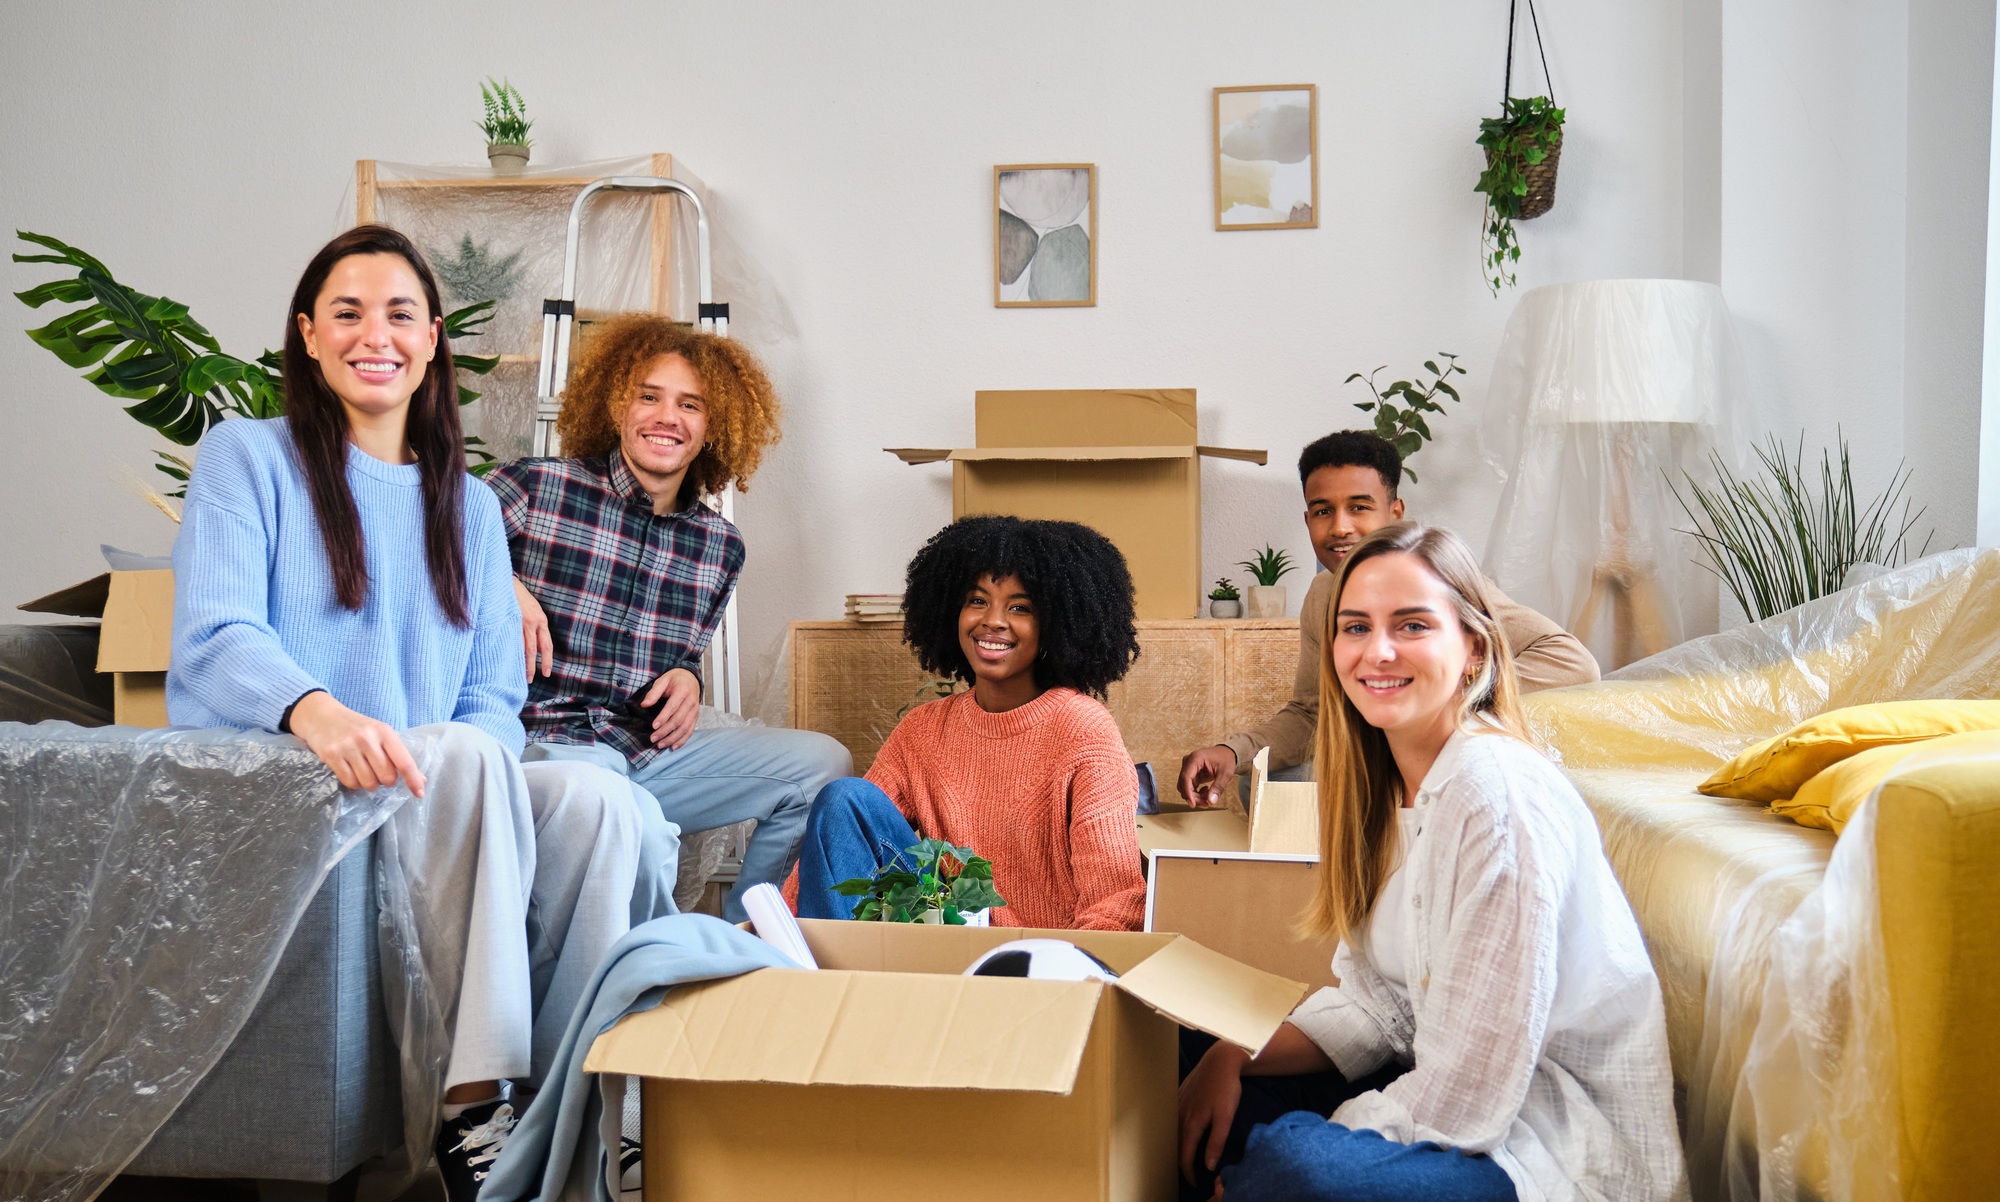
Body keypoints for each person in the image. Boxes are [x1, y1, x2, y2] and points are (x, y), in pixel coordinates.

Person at [168, 226, 655, 1202]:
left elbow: (491, 697)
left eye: (398, 315)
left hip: (422, 785)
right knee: (471, 761)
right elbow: (214, 633)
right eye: (346, 313)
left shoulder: (466, 504)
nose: (373, 336)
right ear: (308, 335)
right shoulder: (247, 459)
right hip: (290, 779)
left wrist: (452, 775)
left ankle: (574, 1108)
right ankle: (476, 1112)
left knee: (599, 799)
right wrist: (316, 710)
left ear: (432, 339)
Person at [1176, 521, 1710, 1202]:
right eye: (1356, 627)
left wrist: (1302, 1151)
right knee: (1195, 1053)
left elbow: (1469, 1090)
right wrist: (1232, 1054)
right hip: (1455, 1107)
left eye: (1412, 624)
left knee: (1292, 1172)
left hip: (1550, 1167)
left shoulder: (1496, 795)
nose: (1378, 651)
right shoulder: (1388, 788)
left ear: (1473, 649)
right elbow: (1381, 1007)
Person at [487, 314, 850, 923]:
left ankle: (746, 938)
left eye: (690, 404)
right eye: (648, 397)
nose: (667, 417)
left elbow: (678, 654)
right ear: (617, 406)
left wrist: (688, 677)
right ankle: (656, 964)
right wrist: (500, 583)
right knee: (647, 837)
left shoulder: (719, 547)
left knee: (822, 767)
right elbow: (422, 555)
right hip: (542, 748)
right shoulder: (534, 487)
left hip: (640, 751)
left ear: (714, 426)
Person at [1177, 430, 1598, 808]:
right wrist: (1232, 751)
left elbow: (1569, 660)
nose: (1340, 527)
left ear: (1395, 513)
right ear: (1307, 520)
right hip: (1370, 759)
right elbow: (1311, 712)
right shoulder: (1322, 594)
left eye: (1359, 507)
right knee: (1263, 788)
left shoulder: (1433, 577)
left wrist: (1440, 700)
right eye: (1323, 511)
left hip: (1434, 757)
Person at [785, 516, 1146, 932]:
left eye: (1020, 607)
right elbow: (838, 838)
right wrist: (777, 922)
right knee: (845, 799)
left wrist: (1058, 966)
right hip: (945, 934)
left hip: (1036, 953)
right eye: (977, 601)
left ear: (1057, 624)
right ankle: (816, 963)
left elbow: (1117, 901)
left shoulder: (1083, 731)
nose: (993, 620)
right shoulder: (924, 730)